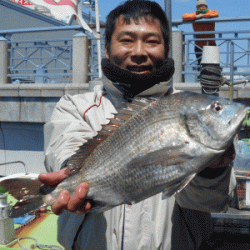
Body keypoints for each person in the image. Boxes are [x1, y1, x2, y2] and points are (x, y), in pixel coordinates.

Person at [39, 1, 236, 249]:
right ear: (107, 49)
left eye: (152, 41)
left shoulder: (197, 111)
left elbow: (212, 202)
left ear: (167, 50)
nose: (139, 51)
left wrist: (211, 170)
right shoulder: (75, 106)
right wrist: (71, 175)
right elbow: (65, 145)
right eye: (127, 40)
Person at [182, 0, 219, 66]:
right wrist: (196, 17)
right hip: (198, 44)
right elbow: (184, 16)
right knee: (200, 64)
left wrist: (203, 16)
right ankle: (200, 75)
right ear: (197, 7)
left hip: (210, 42)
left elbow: (215, 14)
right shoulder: (195, 14)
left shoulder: (210, 12)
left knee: (212, 65)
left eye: (203, 6)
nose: (201, 8)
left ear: (206, 6)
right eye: (199, 6)